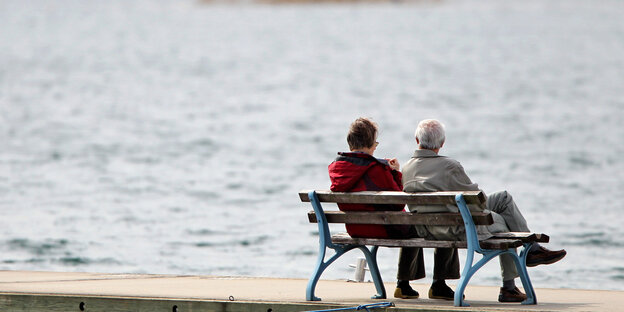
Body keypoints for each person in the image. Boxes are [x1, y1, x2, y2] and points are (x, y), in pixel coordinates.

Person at [401, 119, 567, 302]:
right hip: (458, 228)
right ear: (442, 143)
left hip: (430, 227)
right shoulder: (449, 166)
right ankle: (510, 285)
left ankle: (532, 252)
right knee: (502, 220)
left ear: (417, 140)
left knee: (503, 198)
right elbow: (476, 202)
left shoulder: (406, 168)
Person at [328, 117, 458, 300]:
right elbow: (399, 202)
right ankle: (431, 285)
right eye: (375, 142)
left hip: (355, 228)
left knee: (411, 222)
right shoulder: (375, 169)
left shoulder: (337, 168)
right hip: (382, 228)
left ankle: (405, 286)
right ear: (370, 143)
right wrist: (396, 172)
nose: (376, 147)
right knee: (428, 222)